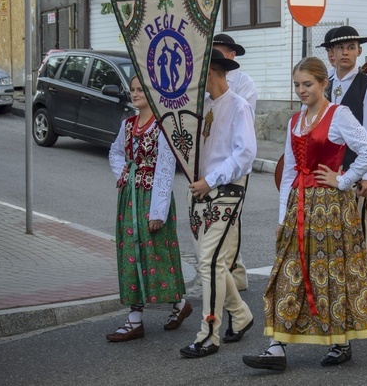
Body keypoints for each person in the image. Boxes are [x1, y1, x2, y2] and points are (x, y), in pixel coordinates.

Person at [242, 57, 367, 371]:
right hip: (299, 204)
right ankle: (276, 347)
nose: (302, 90)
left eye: (308, 84)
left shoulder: (339, 115)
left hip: (331, 207)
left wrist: (344, 179)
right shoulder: (295, 121)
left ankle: (340, 341)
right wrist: (282, 218)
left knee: (331, 273)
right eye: (298, 85)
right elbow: (290, 170)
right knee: (287, 270)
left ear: (323, 84)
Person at [180, 48, 255, 358]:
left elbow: (245, 154)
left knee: (210, 262)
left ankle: (209, 333)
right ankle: (240, 314)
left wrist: (211, 180)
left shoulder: (238, 106)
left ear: (211, 72)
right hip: (200, 190)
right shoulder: (203, 107)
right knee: (211, 263)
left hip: (225, 191)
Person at [106, 76, 189, 342]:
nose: (135, 94)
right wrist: (124, 173)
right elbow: (115, 152)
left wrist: (157, 213)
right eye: (132, 90)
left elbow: (166, 169)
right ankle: (135, 319)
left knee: (156, 254)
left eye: (141, 90)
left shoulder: (162, 127)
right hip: (130, 197)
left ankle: (178, 303)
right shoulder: (128, 125)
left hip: (153, 198)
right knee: (131, 251)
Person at [325, 25, 367, 297]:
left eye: (350, 47)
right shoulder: (324, 83)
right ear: (331, 54)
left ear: (359, 51)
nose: (345, 52)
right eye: (340, 48)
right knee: (333, 231)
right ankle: (364, 283)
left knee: (357, 231)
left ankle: (363, 288)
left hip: (356, 168)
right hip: (327, 169)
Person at [212, 33, 256, 293]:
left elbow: (240, 125)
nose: (216, 56)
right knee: (217, 219)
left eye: (221, 52)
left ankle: (230, 274)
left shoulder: (244, 84)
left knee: (231, 217)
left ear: (232, 55)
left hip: (235, 159)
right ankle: (234, 273)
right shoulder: (206, 82)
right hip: (213, 159)